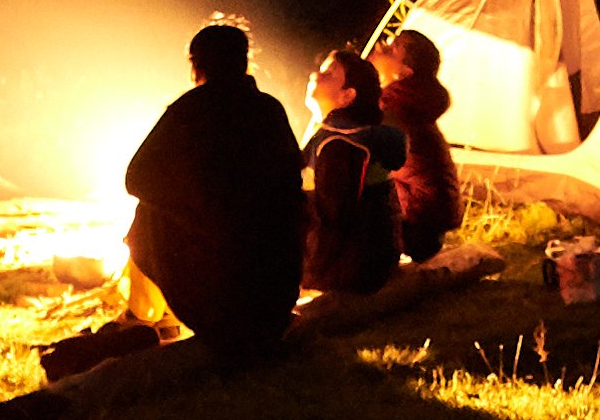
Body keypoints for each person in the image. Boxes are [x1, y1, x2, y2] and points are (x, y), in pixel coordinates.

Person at [122, 22, 307, 350]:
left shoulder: (189, 111)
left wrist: (192, 210)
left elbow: (136, 177)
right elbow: (291, 181)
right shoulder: (269, 110)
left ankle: (149, 315)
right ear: (245, 62)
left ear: (196, 65)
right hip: (277, 292)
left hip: (218, 300)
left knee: (146, 212)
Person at [298, 43, 406, 303]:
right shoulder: (344, 135)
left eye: (329, 74)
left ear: (348, 96)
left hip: (351, 268)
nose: (316, 75)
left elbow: (335, 216)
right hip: (369, 261)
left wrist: (305, 275)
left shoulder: (340, 145)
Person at [373, 26, 461, 264]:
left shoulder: (394, 109)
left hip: (415, 225)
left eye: (392, 49)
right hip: (428, 220)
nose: (380, 47)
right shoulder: (408, 105)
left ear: (404, 73)